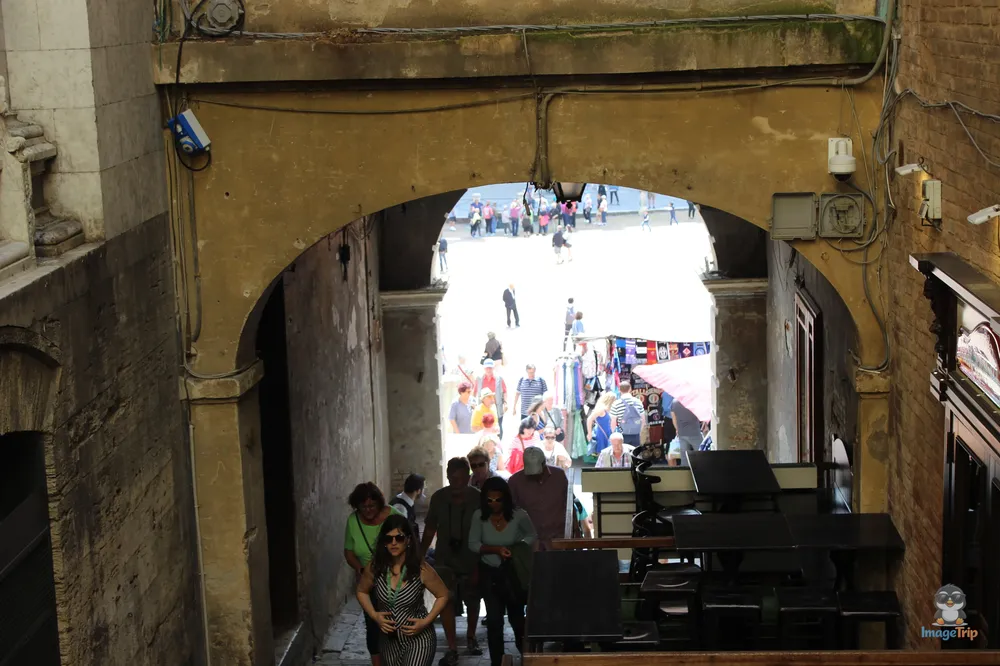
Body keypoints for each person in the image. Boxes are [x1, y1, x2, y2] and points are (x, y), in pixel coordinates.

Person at [357, 515, 450, 666]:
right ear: (383, 542)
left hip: (419, 639)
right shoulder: (375, 568)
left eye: (399, 538)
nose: (393, 543)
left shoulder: (420, 569)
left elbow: (443, 594)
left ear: (408, 540)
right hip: (388, 640)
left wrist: (426, 621)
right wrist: (374, 615)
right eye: (389, 539)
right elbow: (361, 591)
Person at [469, 477, 537, 666]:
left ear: (505, 499)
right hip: (489, 572)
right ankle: (496, 661)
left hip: (512, 573)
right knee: (493, 620)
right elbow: (473, 543)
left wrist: (518, 548)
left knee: (517, 619)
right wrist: (495, 549)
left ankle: (525, 656)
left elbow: (532, 535)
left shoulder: (519, 516)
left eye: (497, 500)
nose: (493, 504)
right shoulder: (479, 516)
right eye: (489, 500)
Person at [420, 458, 483, 664]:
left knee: (473, 598)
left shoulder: (478, 498)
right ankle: (452, 646)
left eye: (460, 478)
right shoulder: (439, 498)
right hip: (445, 557)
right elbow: (430, 527)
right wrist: (420, 554)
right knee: (445, 600)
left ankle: (471, 637)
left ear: (467, 477)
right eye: (452, 477)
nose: (455, 482)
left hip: (471, 556)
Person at [345, 483, 407, 666]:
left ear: (379, 503)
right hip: (370, 582)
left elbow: (409, 543)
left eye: (372, 506)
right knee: (373, 627)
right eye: (363, 507)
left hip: (397, 580)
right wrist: (361, 569)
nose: (368, 510)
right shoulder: (353, 521)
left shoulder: (394, 515)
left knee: (398, 624)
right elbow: (349, 552)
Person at [508, 447, 569, 550]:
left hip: (557, 540)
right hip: (529, 542)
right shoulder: (515, 481)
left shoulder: (559, 476)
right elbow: (510, 512)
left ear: (544, 463)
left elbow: (569, 504)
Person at [475, 359, 508, 437]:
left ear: (493, 368)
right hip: (483, 407)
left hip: (496, 407)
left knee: (497, 427)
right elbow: (475, 391)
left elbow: (505, 391)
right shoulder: (479, 379)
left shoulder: (499, 379)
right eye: (487, 368)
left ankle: (497, 445)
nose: (488, 370)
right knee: (484, 427)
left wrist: (506, 403)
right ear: (484, 368)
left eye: (490, 368)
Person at [610, 381, 646, 447]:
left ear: (619, 390)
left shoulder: (616, 404)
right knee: (635, 454)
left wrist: (613, 433)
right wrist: (639, 430)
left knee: (624, 454)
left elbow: (613, 422)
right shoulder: (638, 402)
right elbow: (643, 420)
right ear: (630, 389)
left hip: (622, 434)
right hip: (636, 434)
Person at [390, 474, 426, 541]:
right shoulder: (400, 508)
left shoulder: (405, 500)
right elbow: (399, 536)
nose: (424, 491)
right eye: (423, 489)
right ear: (418, 491)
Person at [669, 399, 703, 466]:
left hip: (682, 433)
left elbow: (674, 419)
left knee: (684, 458)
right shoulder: (694, 402)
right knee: (702, 455)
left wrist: (677, 429)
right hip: (695, 433)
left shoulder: (674, 402)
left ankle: (684, 474)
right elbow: (700, 417)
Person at [587, 392, 615, 457]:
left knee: (606, 453)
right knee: (602, 454)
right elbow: (589, 419)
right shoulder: (601, 409)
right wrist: (589, 433)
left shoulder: (607, 409)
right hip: (601, 434)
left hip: (607, 433)